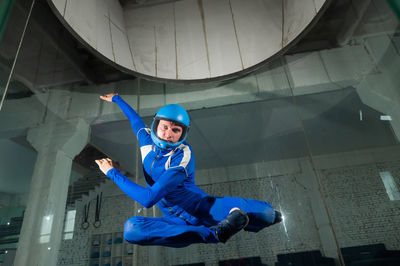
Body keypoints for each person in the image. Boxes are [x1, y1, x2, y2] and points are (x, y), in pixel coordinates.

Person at [95, 93, 282, 247]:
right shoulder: (146, 140)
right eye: (165, 127)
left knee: (267, 214)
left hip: (205, 208)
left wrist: (112, 173)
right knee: (131, 230)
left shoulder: (183, 156)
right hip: (176, 224)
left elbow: (149, 199)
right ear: (155, 126)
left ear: (182, 135)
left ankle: (269, 217)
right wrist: (117, 99)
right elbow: (135, 120)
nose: (168, 134)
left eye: (175, 130)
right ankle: (214, 234)